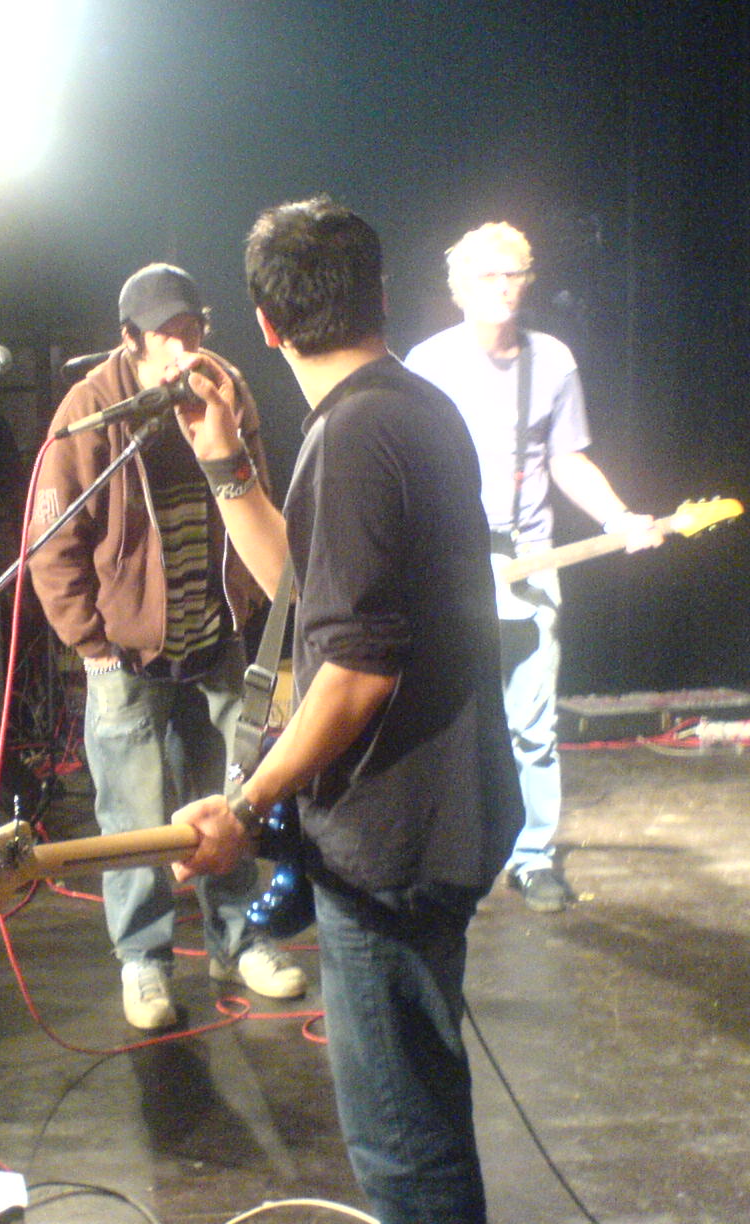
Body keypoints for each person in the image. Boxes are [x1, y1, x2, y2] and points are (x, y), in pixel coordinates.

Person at [169, 198, 522, 1224]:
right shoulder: (406, 410)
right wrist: (226, 464)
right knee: (416, 1122)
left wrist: (247, 802)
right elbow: (310, 595)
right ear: (381, 293)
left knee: (404, 1148)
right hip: (428, 824)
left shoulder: (357, 437)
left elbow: (357, 672)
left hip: (393, 844)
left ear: (265, 324)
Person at [27, 263, 308, 1031]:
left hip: (215, 637)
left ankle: (237, 939)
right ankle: (145, 961)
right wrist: (91, 642)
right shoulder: (90, 411)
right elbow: (52, 544)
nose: (186, 349)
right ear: (131, 340)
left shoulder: (226, 388)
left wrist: (249, 601)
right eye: (168, 337)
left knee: (229, 796)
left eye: (194, 331)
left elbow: (255, 491)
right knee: (134, 813)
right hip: (127, 655)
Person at [404, 222, 661, 914]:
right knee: (443, 718)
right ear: (459, 288)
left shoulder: (553, 362)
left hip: (529, 556)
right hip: (450, 564)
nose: (504, 288)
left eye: (514, 274)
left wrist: (618, 517)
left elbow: (568, 458)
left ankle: (533, 854)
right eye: (488, 275)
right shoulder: (427, 364)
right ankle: (443, 849)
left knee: (533, 723)